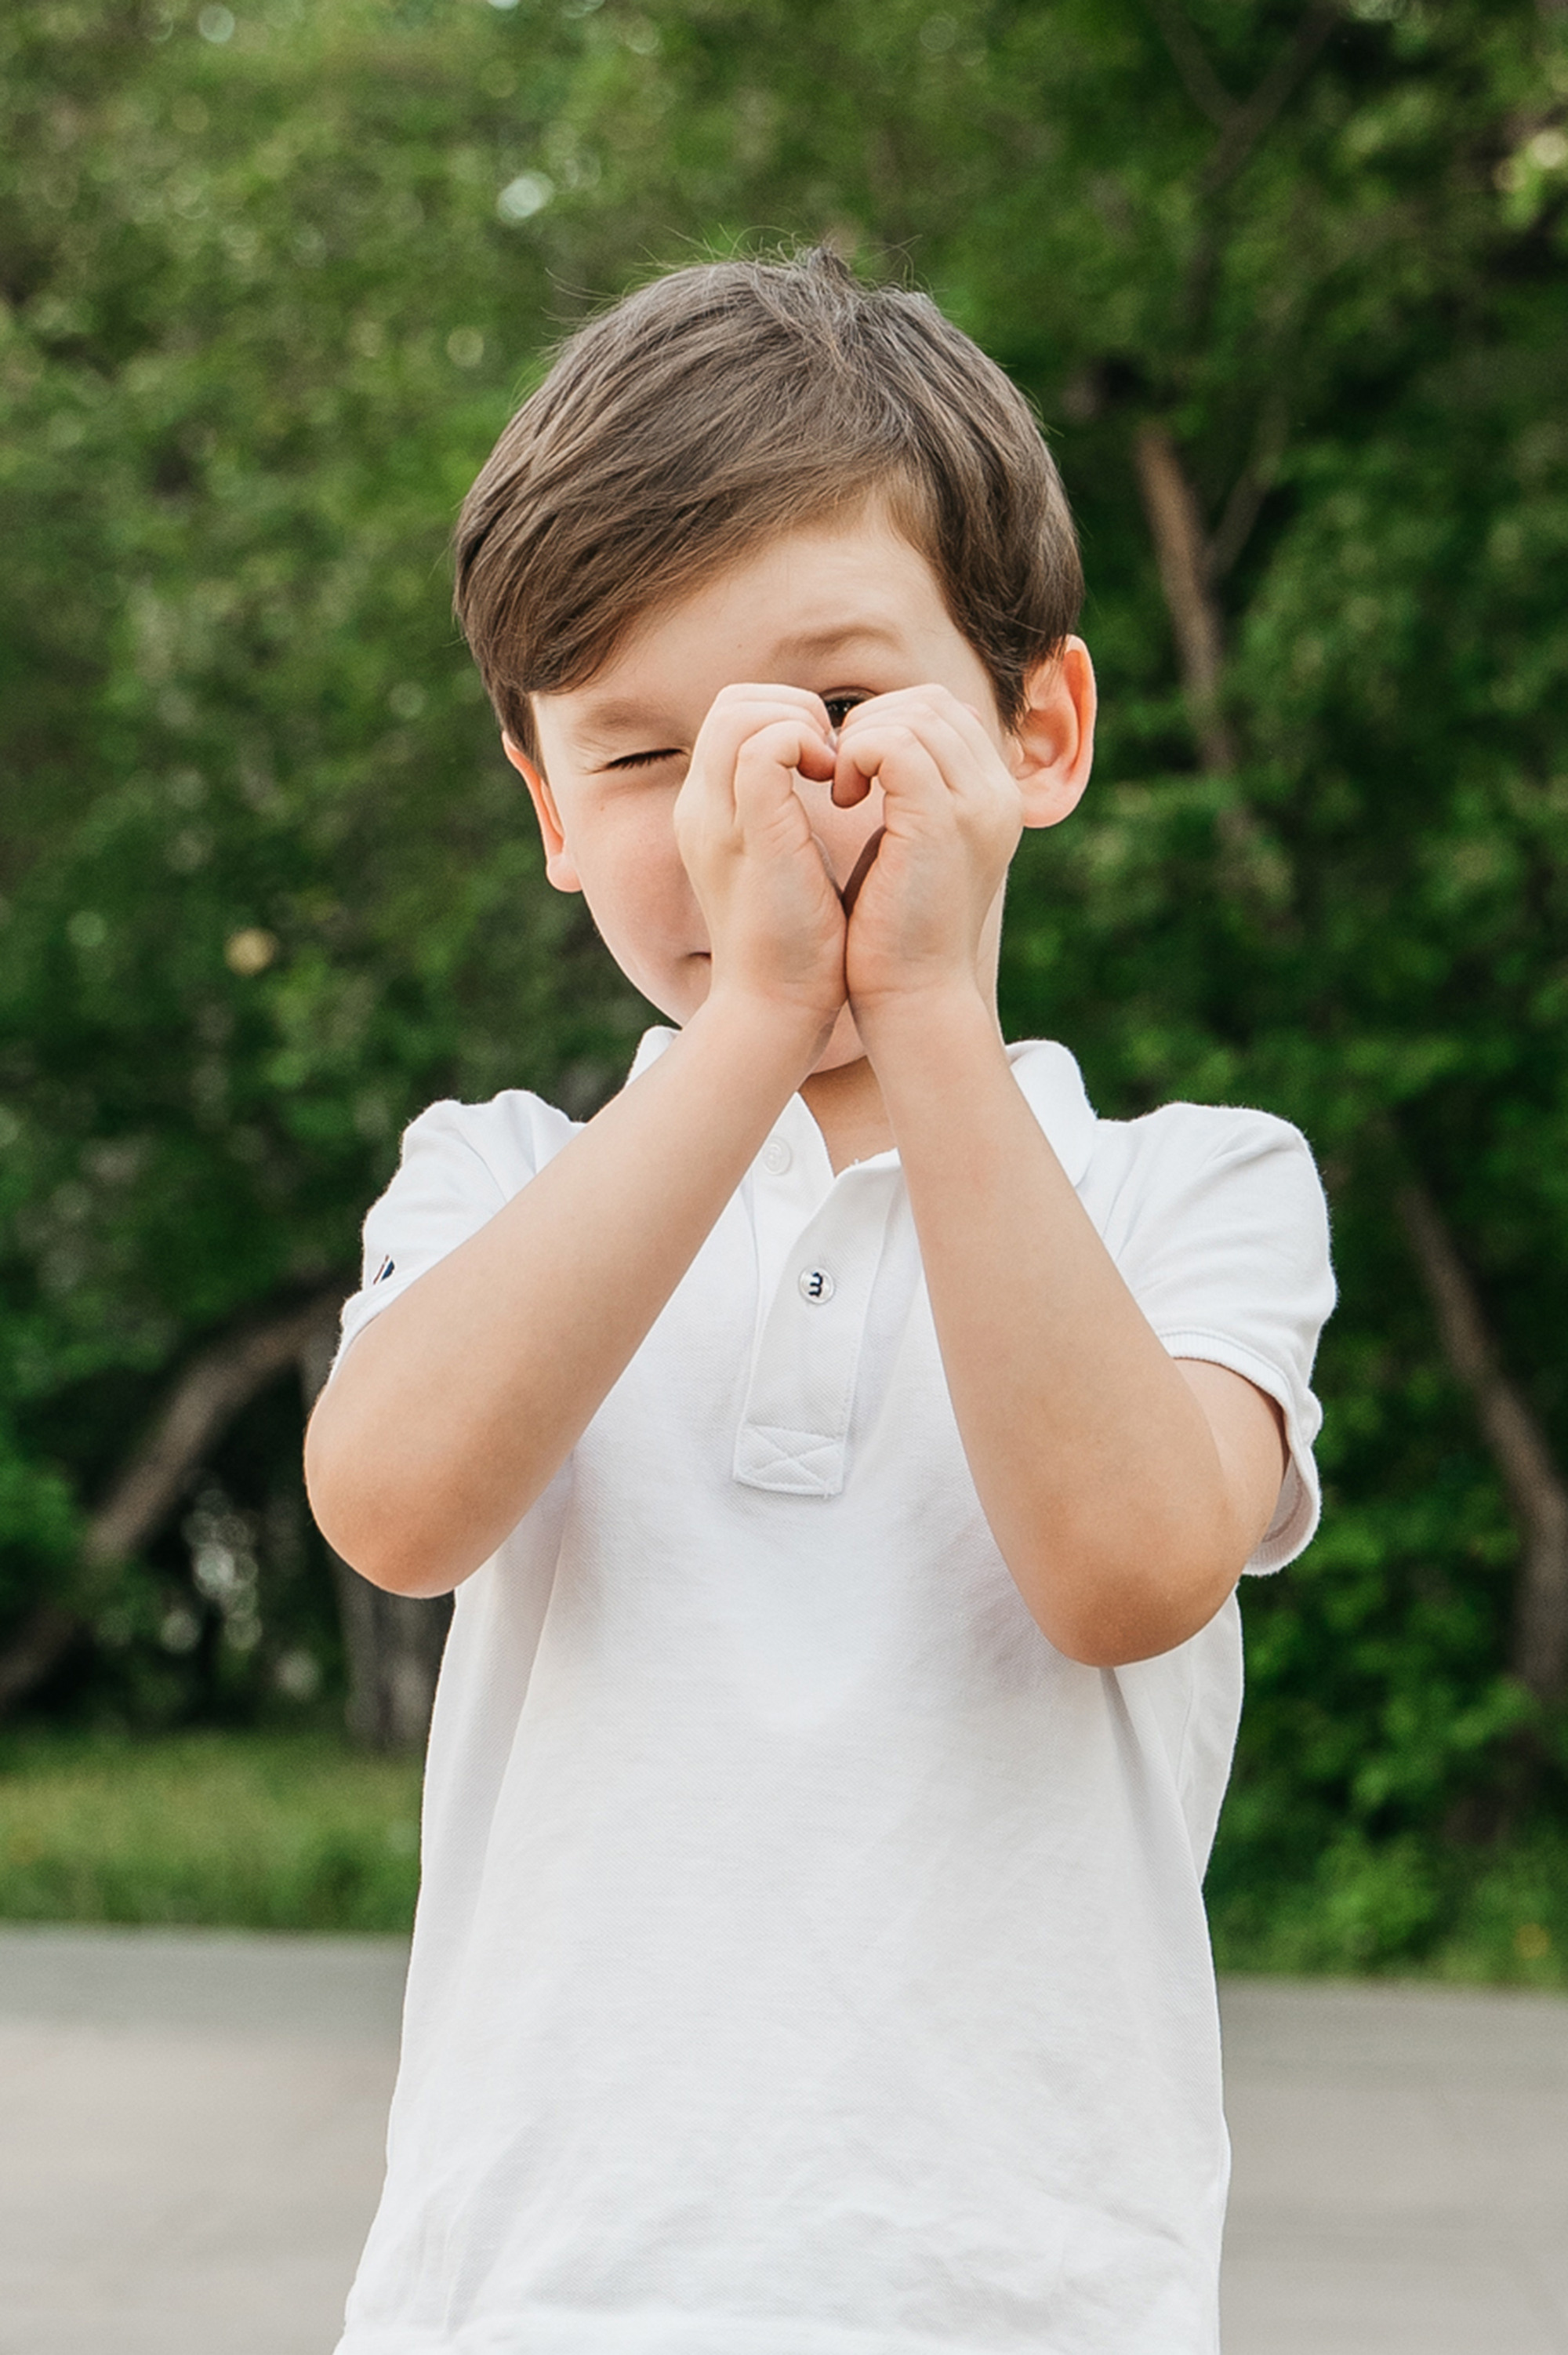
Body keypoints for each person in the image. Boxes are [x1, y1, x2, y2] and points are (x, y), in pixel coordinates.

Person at [305, 247, 1334, 2355]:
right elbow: (395, 1508)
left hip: (1024, 2305)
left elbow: (1133, 1565)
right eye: (642, 757)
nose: (741, 804)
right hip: (524, 2300)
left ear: (1035, 728)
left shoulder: (1190, 1187)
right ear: (549, 815)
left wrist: (919, 1016)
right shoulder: (501, 1174)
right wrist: (758, 1017)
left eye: (840, 709)